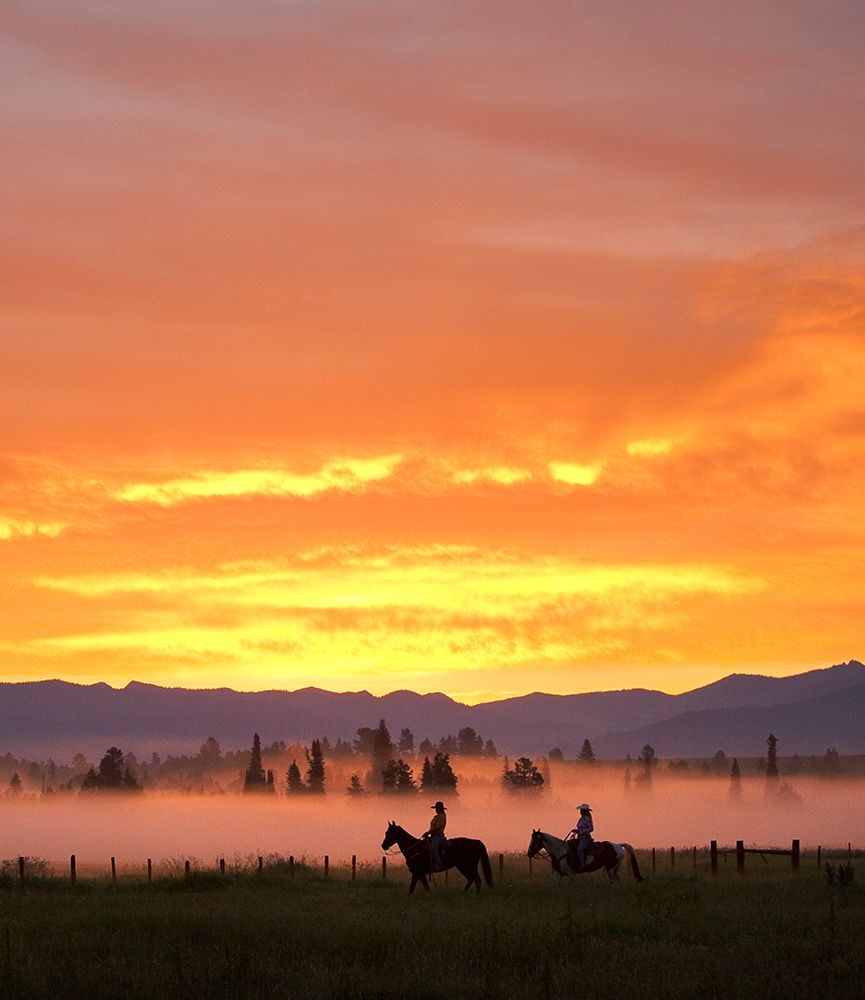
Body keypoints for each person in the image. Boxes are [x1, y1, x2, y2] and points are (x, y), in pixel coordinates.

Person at [422, 800, 447, 870]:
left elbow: (437, 827)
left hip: (438, 835)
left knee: (433, 848)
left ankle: (439, 863)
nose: (436, 810)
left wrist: (428, 833)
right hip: (433, 835)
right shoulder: (436, 817)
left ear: (439, 809)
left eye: (437, 808)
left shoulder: (442, 816)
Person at [571, 802, 594, 868]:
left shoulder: (587, 819)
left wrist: (580, 831)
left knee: (579, 849)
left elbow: (591, 828)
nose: (580, 812)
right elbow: (580, 828)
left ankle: (583, 864)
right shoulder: (581, 819)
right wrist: (577, 830)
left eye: (581, 810)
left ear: (584, 811)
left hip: (585, 838)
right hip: (580, 837)